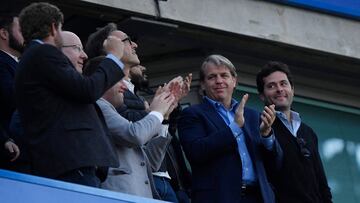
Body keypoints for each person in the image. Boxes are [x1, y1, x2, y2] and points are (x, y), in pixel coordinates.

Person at [15, 2, 125, 187]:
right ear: (52, 27)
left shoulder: (31, 56)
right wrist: (113, 57)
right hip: (70, 162)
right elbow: (87, 90)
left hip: (64, 162)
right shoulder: (44, 53)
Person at [177, 54, 283, 203]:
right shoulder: (192, 114)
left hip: (258, 197)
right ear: (202, 84)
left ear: (234, 81)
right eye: (212, 77)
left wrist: (267, 135)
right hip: (218, 197)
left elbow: (275, 165)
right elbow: (196, 151)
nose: (219, 81)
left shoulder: (253, 116)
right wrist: (234, 127)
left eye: (224, 75)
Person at [82, 56, 176, 198]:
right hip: (121, 195)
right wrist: (157, 112)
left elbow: (150, 163)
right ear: (104, 78)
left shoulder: (111, 110)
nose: (125, 87)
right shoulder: (97, 105)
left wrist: (163, 119)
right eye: (119, 79)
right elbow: (134, 134)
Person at [256, 61, 332, 203]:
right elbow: (268, 169)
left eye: (283, 84)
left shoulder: (308, 132)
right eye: (271, 86)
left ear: (292, 89)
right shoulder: (258, 127)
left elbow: (321, 182)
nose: (279, 89)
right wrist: (265, 134)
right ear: (262, 95)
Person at [0, 13, 23, 168]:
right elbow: (13, 100)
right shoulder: (2, 63)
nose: (27, 34)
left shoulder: (17, 64)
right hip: (11, 153)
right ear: (4, 33)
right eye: (21, 30)